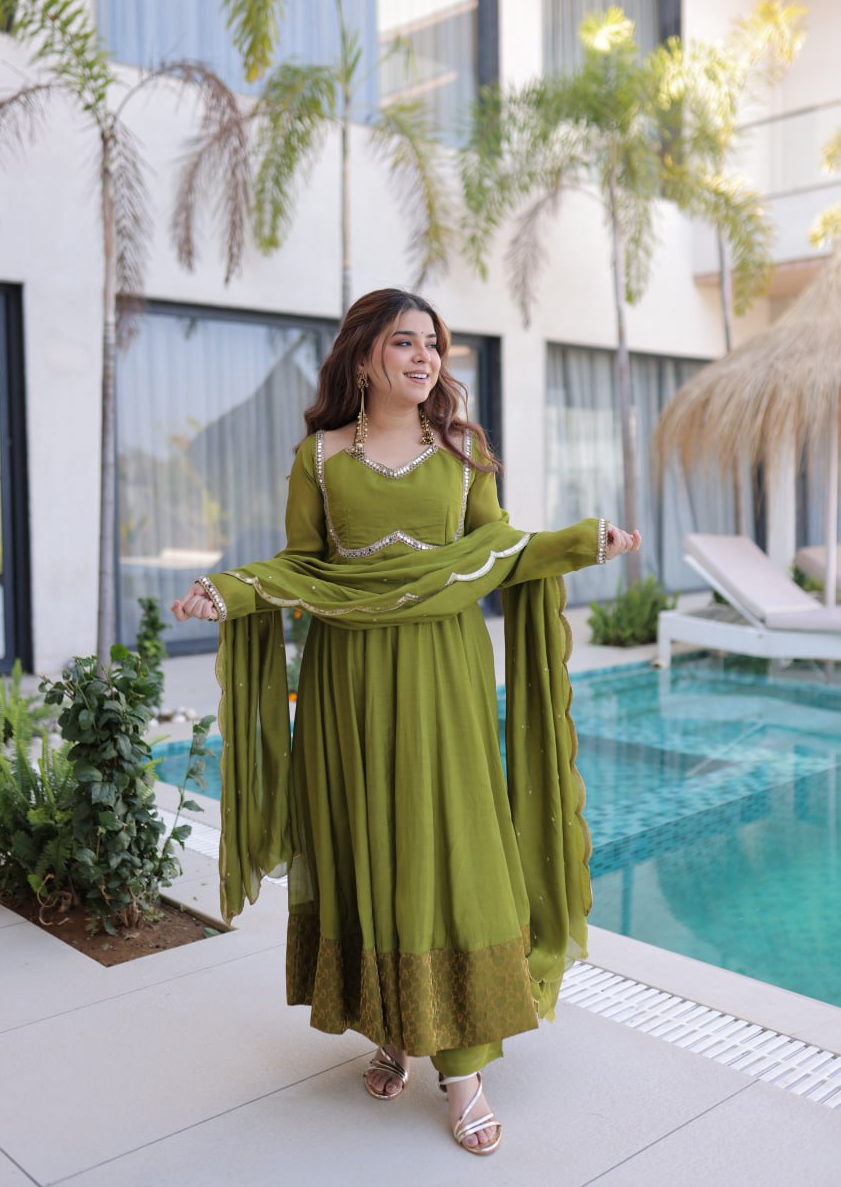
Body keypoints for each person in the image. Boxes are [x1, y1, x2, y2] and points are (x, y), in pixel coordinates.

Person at [172, 288, 641, 1157]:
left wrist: (582, 542)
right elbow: (302, 567)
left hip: (442, 679)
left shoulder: (463, 454)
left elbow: (501, 551)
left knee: (449, 847)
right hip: (346, 685)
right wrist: (227, 591)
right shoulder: (318, 459)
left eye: (433, 344)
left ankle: (462, 1071)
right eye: (404, 342)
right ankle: (393, 1025)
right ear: (363, 358)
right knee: (365, 842)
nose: (424, 357)